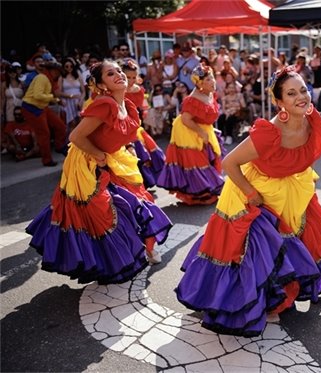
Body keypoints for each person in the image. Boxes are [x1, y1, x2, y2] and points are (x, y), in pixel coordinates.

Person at [175, 65, 321, 336]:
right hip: (259, 190)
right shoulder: (268, 132)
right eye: (291, 94)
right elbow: (230, 163)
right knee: (267, 246)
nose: (301, 97)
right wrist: (250, 193)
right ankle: (272, 301)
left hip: (294, 184)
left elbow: (305, 154)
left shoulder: (312, 118)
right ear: (278, 102)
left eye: (303, 89)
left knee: (309, 230)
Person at [26, 60, 173, 284]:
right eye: (110, 74)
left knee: (135, 203)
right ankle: (105, 262)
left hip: (111, 159)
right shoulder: (105, 104)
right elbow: (75, 137)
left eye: (120, 71)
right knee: (100, 213)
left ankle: (133, 253)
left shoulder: (128, 106)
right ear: (102, 84)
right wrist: (100, 156)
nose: (119, 75)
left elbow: (123, 133)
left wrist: (128, 149)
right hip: (87, 162)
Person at [157, 65, 225, 205]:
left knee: (207, 158)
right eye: (208, 79)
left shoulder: (209, 92)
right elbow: (186, 119)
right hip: (188, 131)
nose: (212, 81)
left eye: (212, 77)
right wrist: (201, 132)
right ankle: (198, 194)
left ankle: (205, 190)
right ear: (200, 84)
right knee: (195, 161)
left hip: (202, 128)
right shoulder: (193, 99)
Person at [122, 60, 166, 190]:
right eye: (127, 77)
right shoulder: (117, 90)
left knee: (142, 153)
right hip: (121, 126)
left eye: (133, 77)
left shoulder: (139, 90)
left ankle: (144, 182)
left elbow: (142, 107)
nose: (130, 80)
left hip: (134, 125)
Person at [21, 61, 67, 167]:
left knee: (60, 126)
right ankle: (47, 160)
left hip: (42, 106)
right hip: (32, 107)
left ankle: (59, 146)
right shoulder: (42, 78)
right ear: (51, 70)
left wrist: (56, 100)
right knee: (44, 134)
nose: (58, 74)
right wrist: (53, 98)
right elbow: (38, 95)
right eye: (57, 71)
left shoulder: (49, 79)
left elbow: (44, 96)